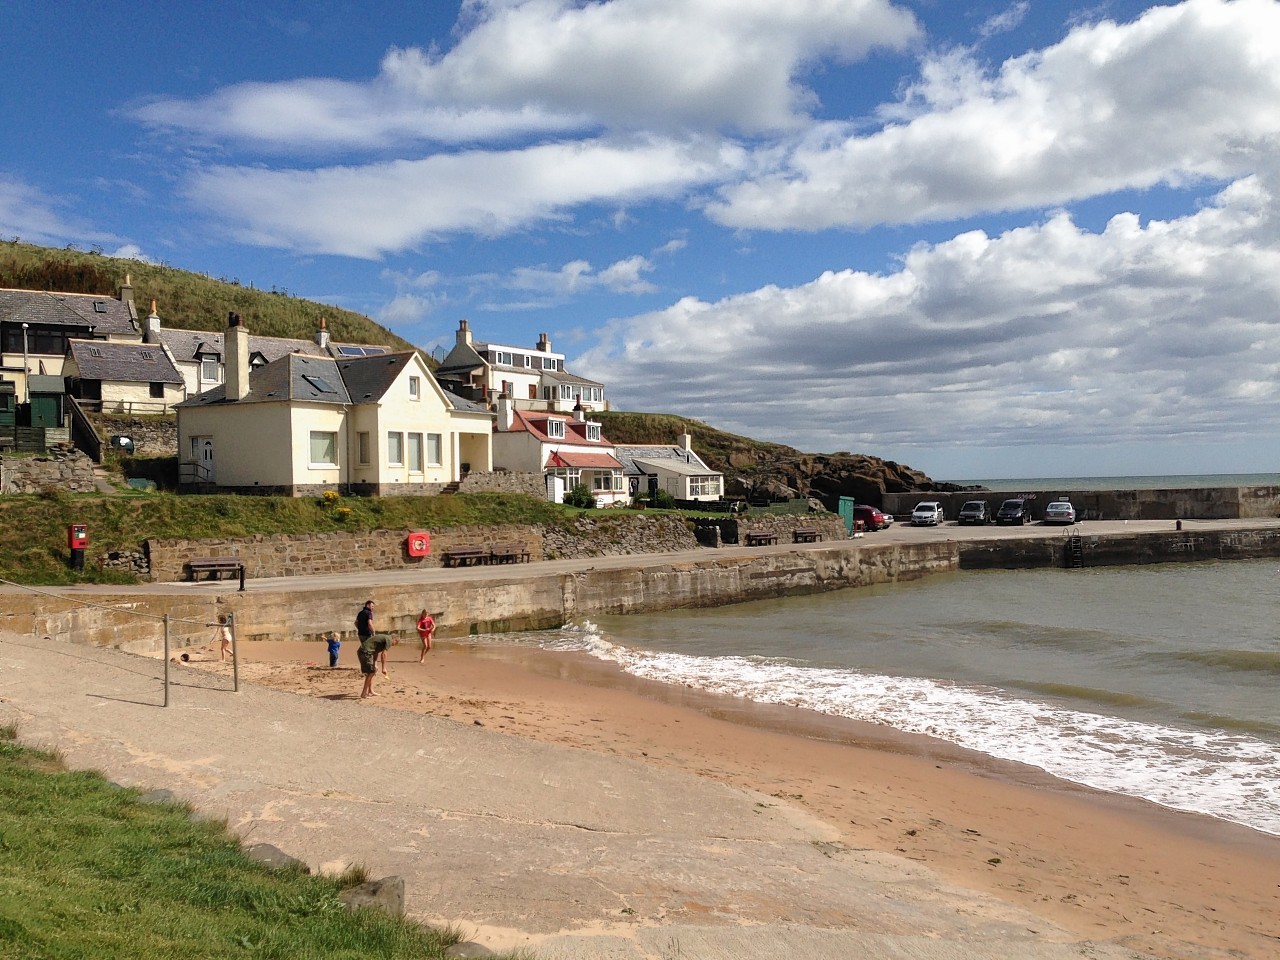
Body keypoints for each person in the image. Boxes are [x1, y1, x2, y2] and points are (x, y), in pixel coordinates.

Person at [358, 634, 398, 698]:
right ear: (394, 640)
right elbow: (384, 654)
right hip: (365, 652)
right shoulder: (389, 640)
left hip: (363, 651)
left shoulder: (384, 639)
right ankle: (363, 693)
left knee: (372, 671)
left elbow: (375, 651)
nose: (392, 645)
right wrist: (384, 668)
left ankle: (370, 691)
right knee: (371, 672)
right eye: (395, 644)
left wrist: (375, 663)